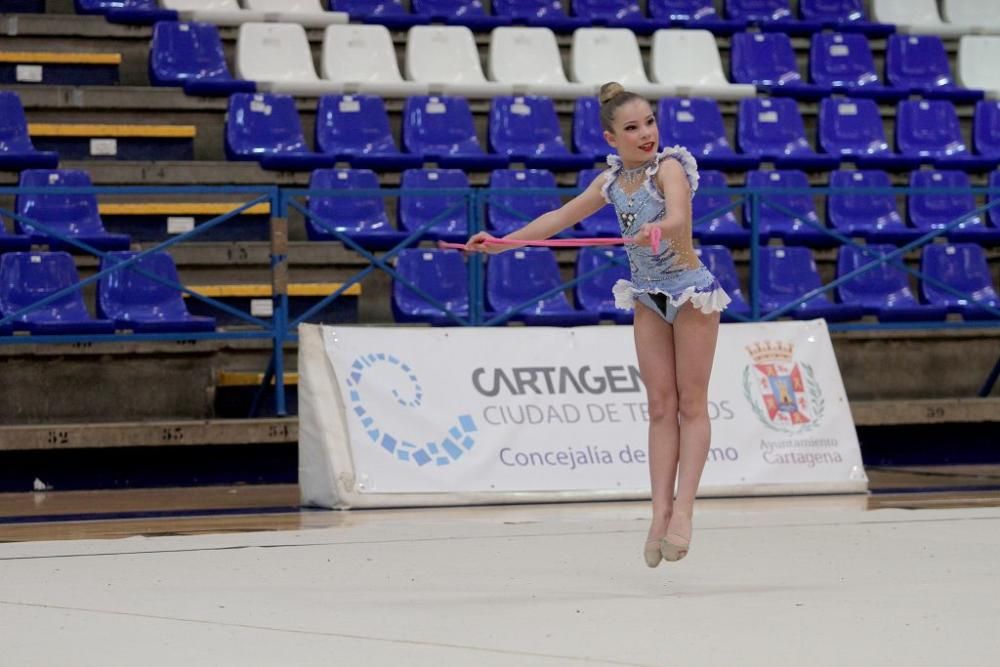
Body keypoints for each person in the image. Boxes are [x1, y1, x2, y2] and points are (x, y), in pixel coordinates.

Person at [466, 82, 730, 567]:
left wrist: (660, 229)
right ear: (612, 138)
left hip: (690, 292)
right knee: (658, 406)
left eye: (649, 122)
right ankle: (659, 513)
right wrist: (503, 242)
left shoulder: (669, 167)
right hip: (648, 297)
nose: (646, 134)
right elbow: (558, 218)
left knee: (691, 403)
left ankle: (685, 513)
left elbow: (678, 215)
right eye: (632, 128)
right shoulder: (609, 184)